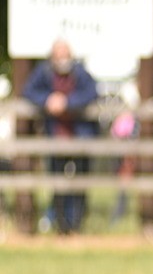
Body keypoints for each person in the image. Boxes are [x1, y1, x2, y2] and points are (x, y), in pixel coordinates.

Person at [22, 40, 98, 234]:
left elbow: (91, 92)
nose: (62, 59)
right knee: (57, 183)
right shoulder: (44, 71)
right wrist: (48, 99)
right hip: (55, 134)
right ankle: (61, 226)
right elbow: (28, 91)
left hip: (80, 135)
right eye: (59, 54)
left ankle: (76, 225)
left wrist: (67, 102)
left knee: (80, 182)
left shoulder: (80, 72)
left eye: (65, 54)